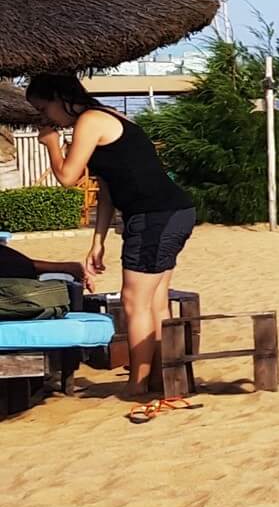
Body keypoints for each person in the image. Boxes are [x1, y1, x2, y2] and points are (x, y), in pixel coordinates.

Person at [25, 73, 195, 397]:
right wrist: (98, 240)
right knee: (156, 300)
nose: (45, 118)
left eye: (44, 109)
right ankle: (163, 380)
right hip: (168, 212)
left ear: (61, 98)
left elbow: (67, 177)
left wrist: (50, 145)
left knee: (134, 300)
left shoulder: (90, 120)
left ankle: (138, 384)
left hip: (154, 215)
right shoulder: (107, 117)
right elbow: (107, 190)